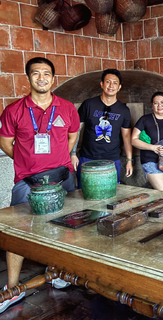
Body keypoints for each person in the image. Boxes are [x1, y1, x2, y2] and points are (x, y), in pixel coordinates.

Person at [0, 57, 80, 313]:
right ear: (29, 78)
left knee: (66, 224)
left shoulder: (67, 107)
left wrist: (60, 160)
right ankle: (11, 288)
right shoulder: (13, 110)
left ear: (53, 78)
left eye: (46, 73)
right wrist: (27, 162)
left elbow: (72, 135)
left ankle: (58, 271)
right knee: (17, 232)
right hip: (27, 180)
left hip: (63, 177)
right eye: (36, 74)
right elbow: (6, 143)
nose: (42, 78)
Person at [71, 69, 133, 187]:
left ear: (119, 87)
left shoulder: (124, 110)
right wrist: (73, 154)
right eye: (108, 82)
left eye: (115, 83)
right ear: (102, 84)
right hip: (87, 158)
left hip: (112, 160)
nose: (111, 86)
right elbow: (76, 130)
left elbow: (126, 136)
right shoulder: (88, 104)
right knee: (84, 192)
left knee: (111, 193)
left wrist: (129, 161)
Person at [131, 92, 163, 192]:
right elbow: (133, 140)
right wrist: (153, 147)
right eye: (156, 103)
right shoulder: (145, 120)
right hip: (150, 160)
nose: (160, 105)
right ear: (152, 106)